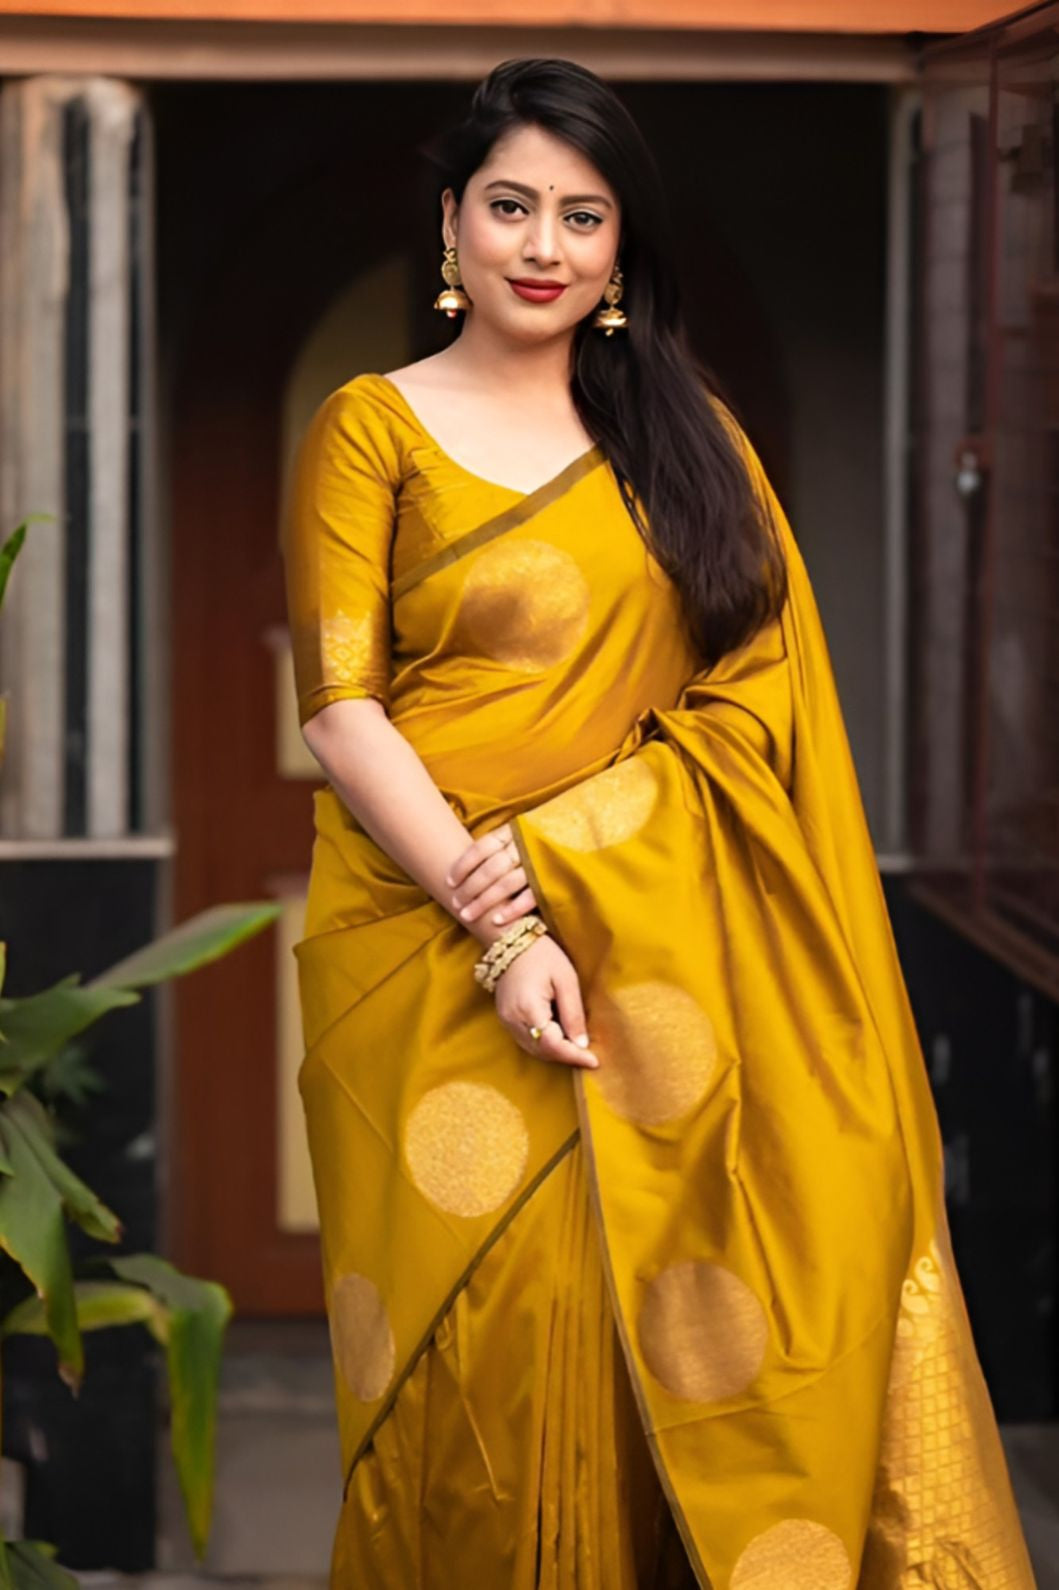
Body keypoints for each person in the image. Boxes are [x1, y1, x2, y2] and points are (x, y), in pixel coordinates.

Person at [281, 55, 1036, 1590]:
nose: (542, 244)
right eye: (509, 206)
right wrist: (503, 923)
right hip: (427, 953)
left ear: (623, 249)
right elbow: (342, 708)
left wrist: (574, 855)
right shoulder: (371, 431)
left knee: (666, 1366)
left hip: (659, 960)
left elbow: (760, 710)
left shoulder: (691, 449)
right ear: (451, 223)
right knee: (480, 1368)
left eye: (582, 213)